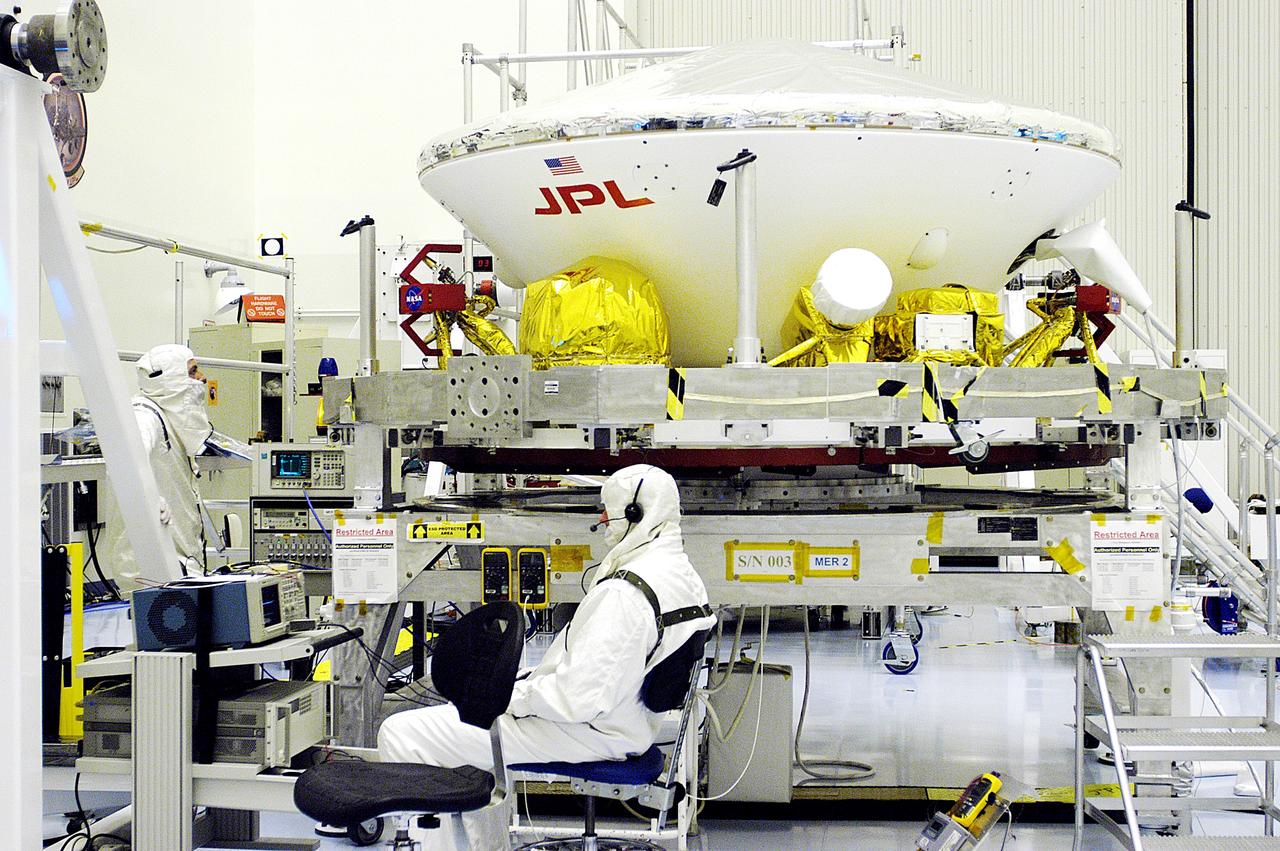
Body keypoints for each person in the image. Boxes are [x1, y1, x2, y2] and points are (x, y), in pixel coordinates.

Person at [378, 464, 715, 850]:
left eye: (608, 512)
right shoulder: (681, 575)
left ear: (636, 513)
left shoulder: (624, 594)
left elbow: (578, 699)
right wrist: (526, 681)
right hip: (627, 722)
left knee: (403, 733)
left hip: (592, 731)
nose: (602, 521)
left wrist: (508, 697)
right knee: (465, 737)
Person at [98, 344, 213, 594]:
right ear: (170, 378)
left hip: (176, 563)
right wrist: (148, 498)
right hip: (151, 568)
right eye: (192, 372)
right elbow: (125, 459)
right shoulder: (144, 416)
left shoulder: (166, 417)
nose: (201, 378)